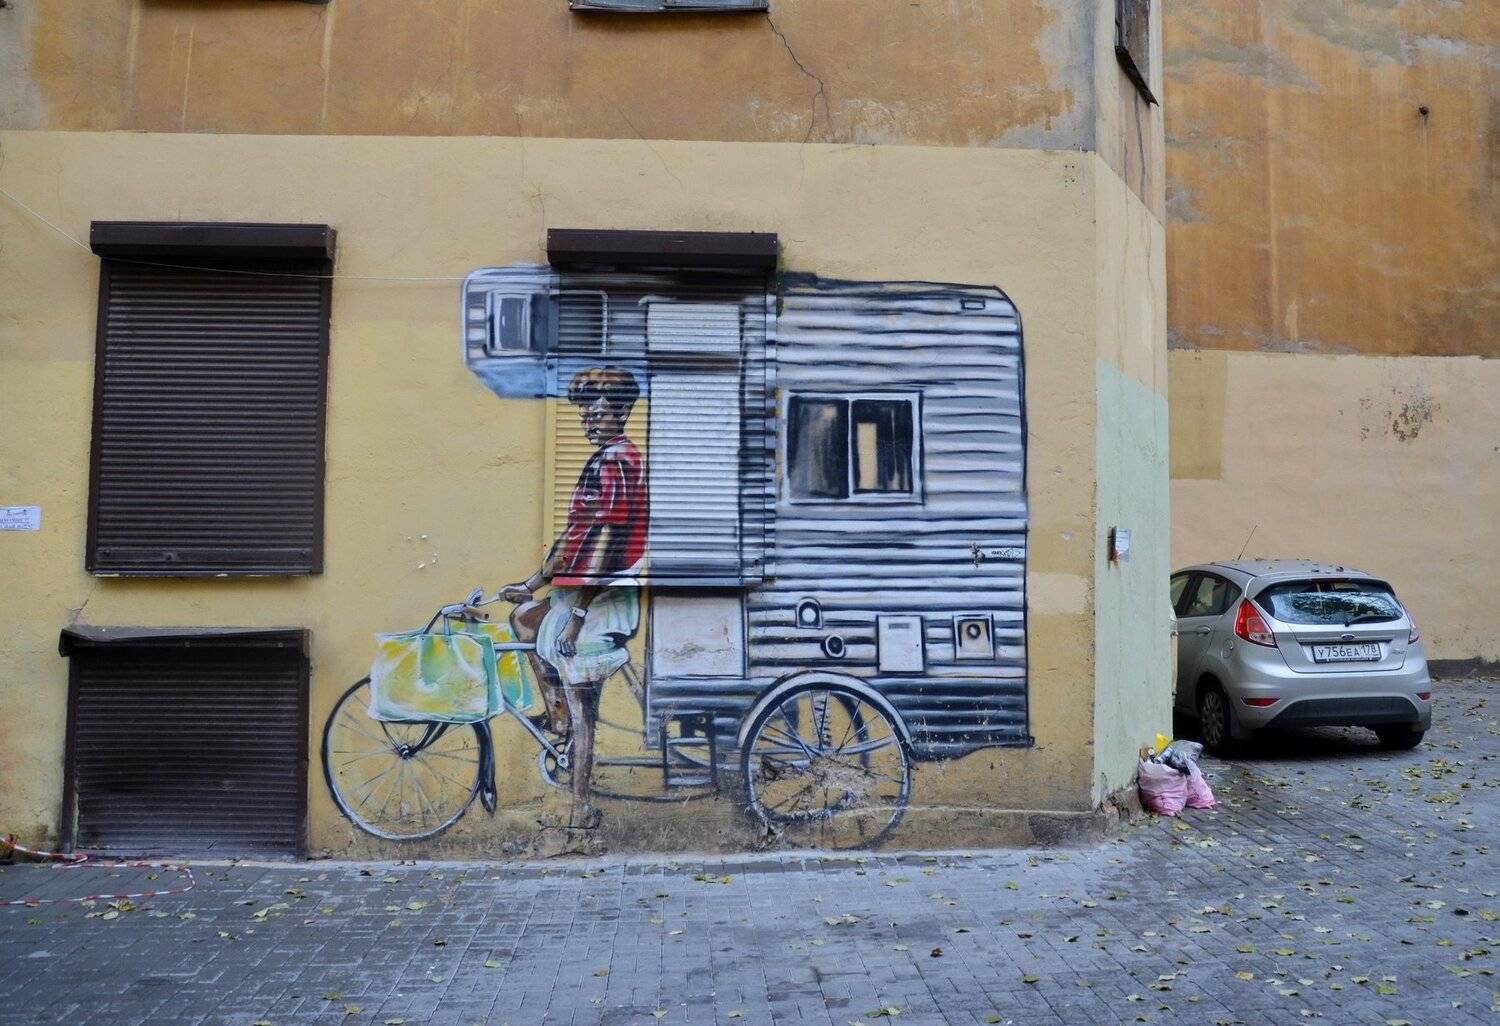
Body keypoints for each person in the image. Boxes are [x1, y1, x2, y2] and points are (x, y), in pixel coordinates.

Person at [502, 366, 646, 830]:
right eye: (584, 411)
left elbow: (604, 542)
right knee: (523, 618)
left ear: (619, 412)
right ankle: (557, 716)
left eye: (596, 411)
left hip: (603, 600)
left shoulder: (618, 462)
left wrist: (577, 617)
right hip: (578, 595)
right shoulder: (599, 460)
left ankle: (580, 806)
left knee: (584, 707)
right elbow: (573, 536)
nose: (587, 419)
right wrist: (531, 585)